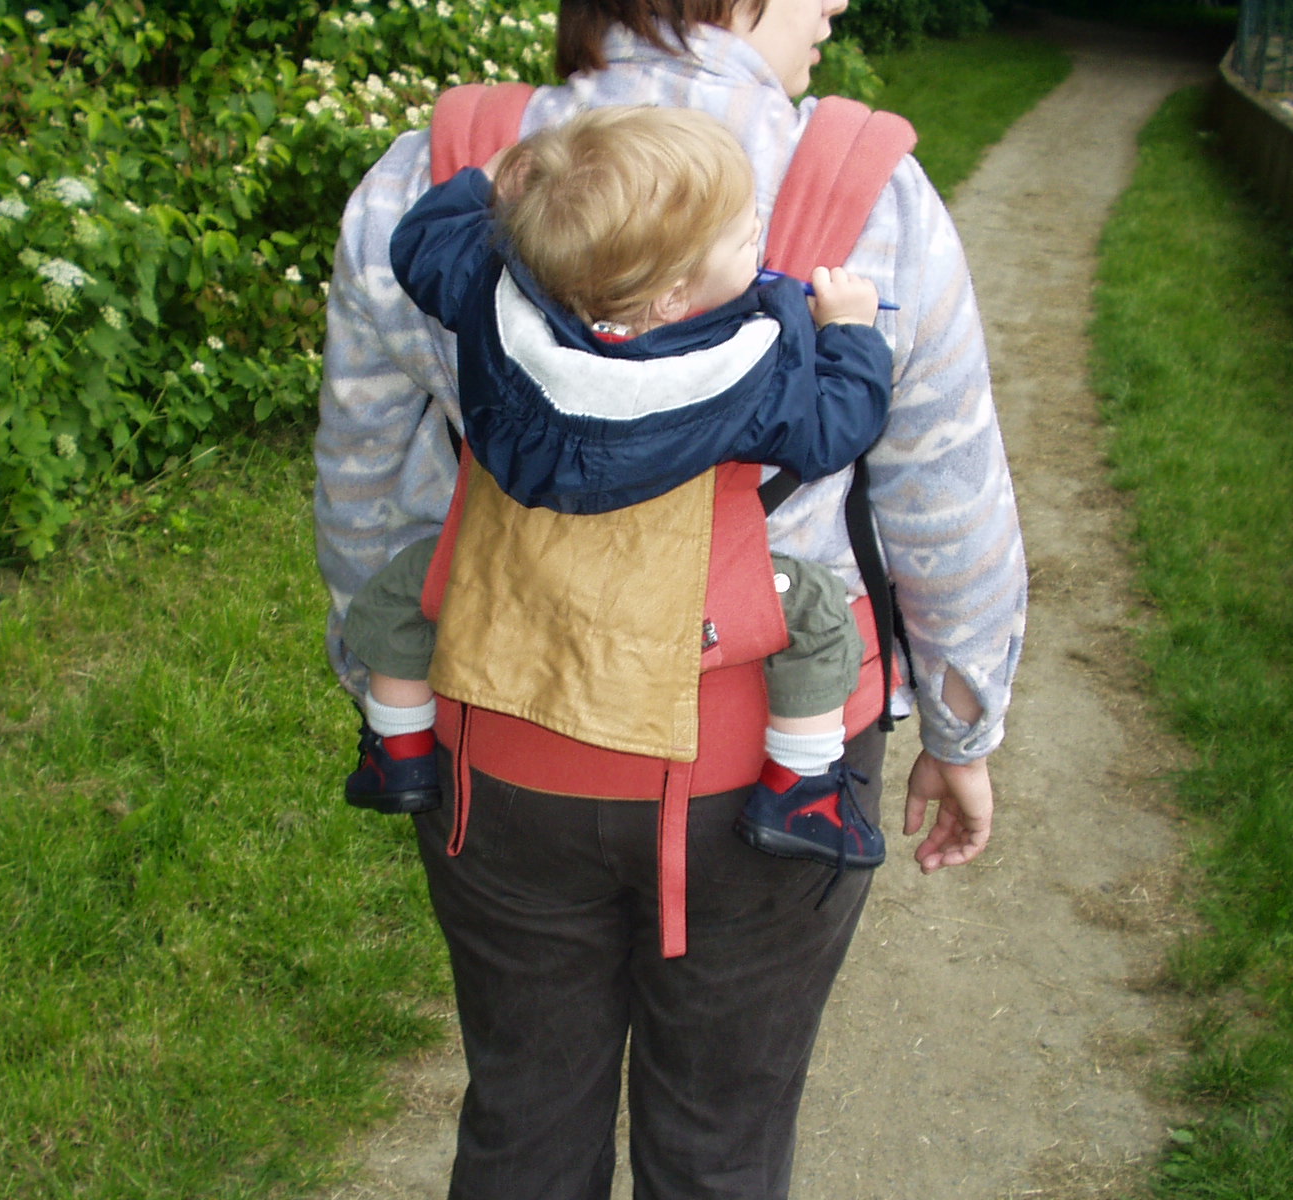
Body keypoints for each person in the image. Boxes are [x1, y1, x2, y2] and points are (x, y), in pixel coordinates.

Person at [313, 1, 1027, 1196]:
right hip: (766, 768)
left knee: (523, 1114)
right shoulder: (863, 189)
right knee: (720, 1143)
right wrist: (961, 728)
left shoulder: (438, 171)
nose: (838, 3)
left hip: (505, 748)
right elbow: (943, 504)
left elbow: (365, 482)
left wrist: (388, 686)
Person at [338, 104, 892, 872]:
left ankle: (397, 750)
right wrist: (850, 332)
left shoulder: (494, 304)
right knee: (820, 616)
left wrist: (495, 181)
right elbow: (839, 427)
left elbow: (420, 245)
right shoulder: (738, 373)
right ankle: (801, 787)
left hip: (516, 573)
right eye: (742, 236)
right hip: (681, 595)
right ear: (670, 299)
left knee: (404, 592)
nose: (757, 238)